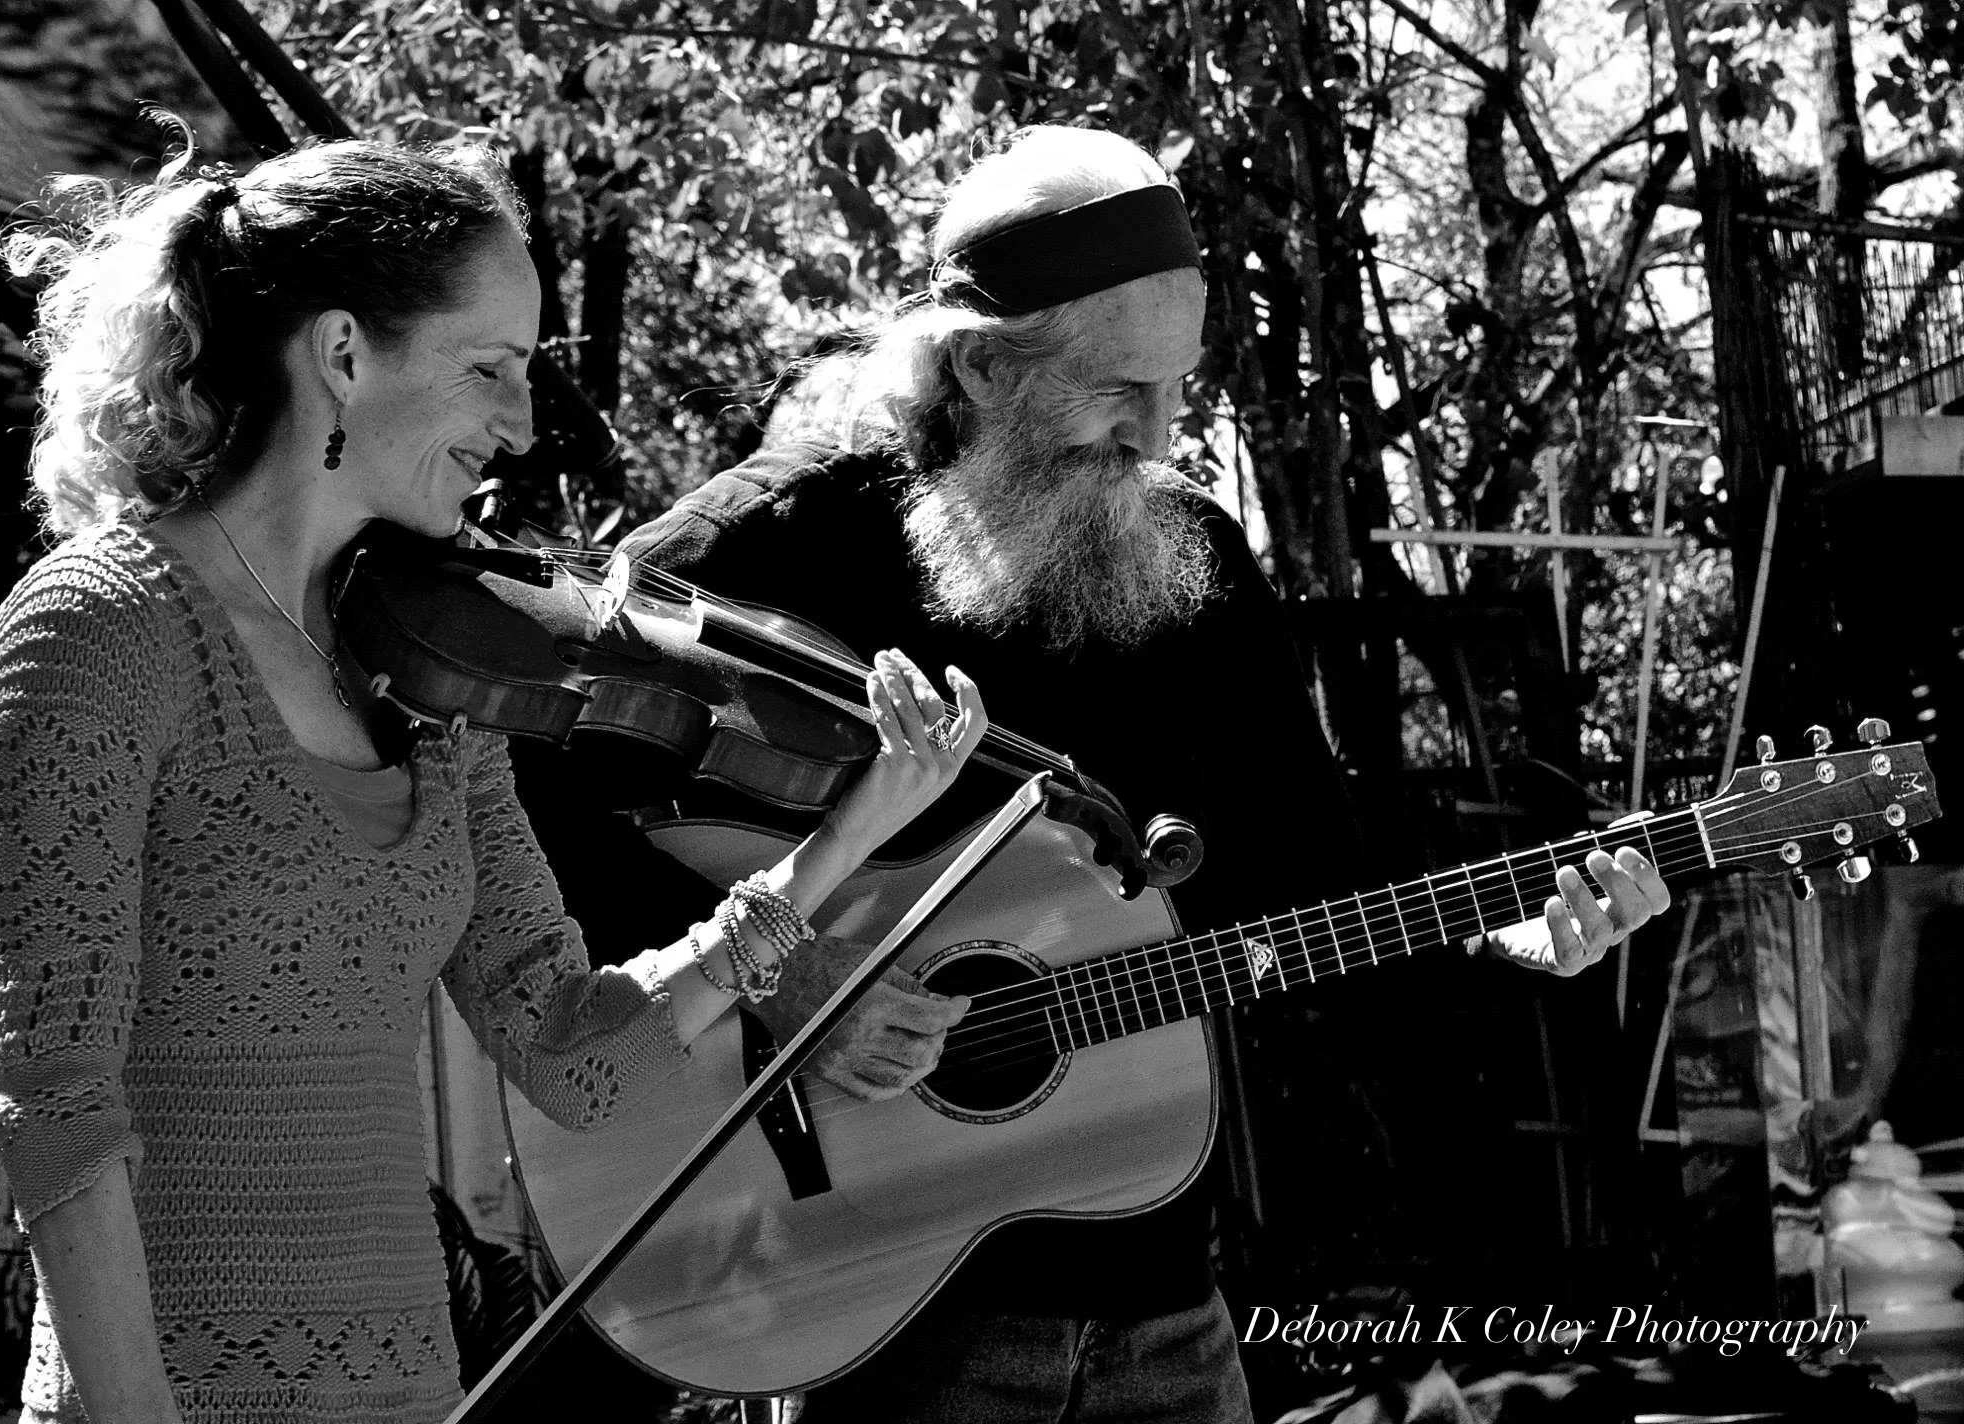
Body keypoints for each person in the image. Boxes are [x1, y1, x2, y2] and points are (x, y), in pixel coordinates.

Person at [535, 125, 1674, 1422]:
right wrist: (787, 978)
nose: (1163, 432)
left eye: (1181, 387)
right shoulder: (781, 542)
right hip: (882, 1316)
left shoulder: (1196, 563)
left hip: (1168, 1317)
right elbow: (528, 790)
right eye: (1119, 391)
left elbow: (1313, 876)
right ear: (979, 365)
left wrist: (1510, 936)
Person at [0, 128, 989, 1424]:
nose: (519, 423)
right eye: (491, 369)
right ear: (344, 356)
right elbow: (55, 1103)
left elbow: (571, 1054)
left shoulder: (427, 675)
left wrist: (845, 842)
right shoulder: (95, 630)